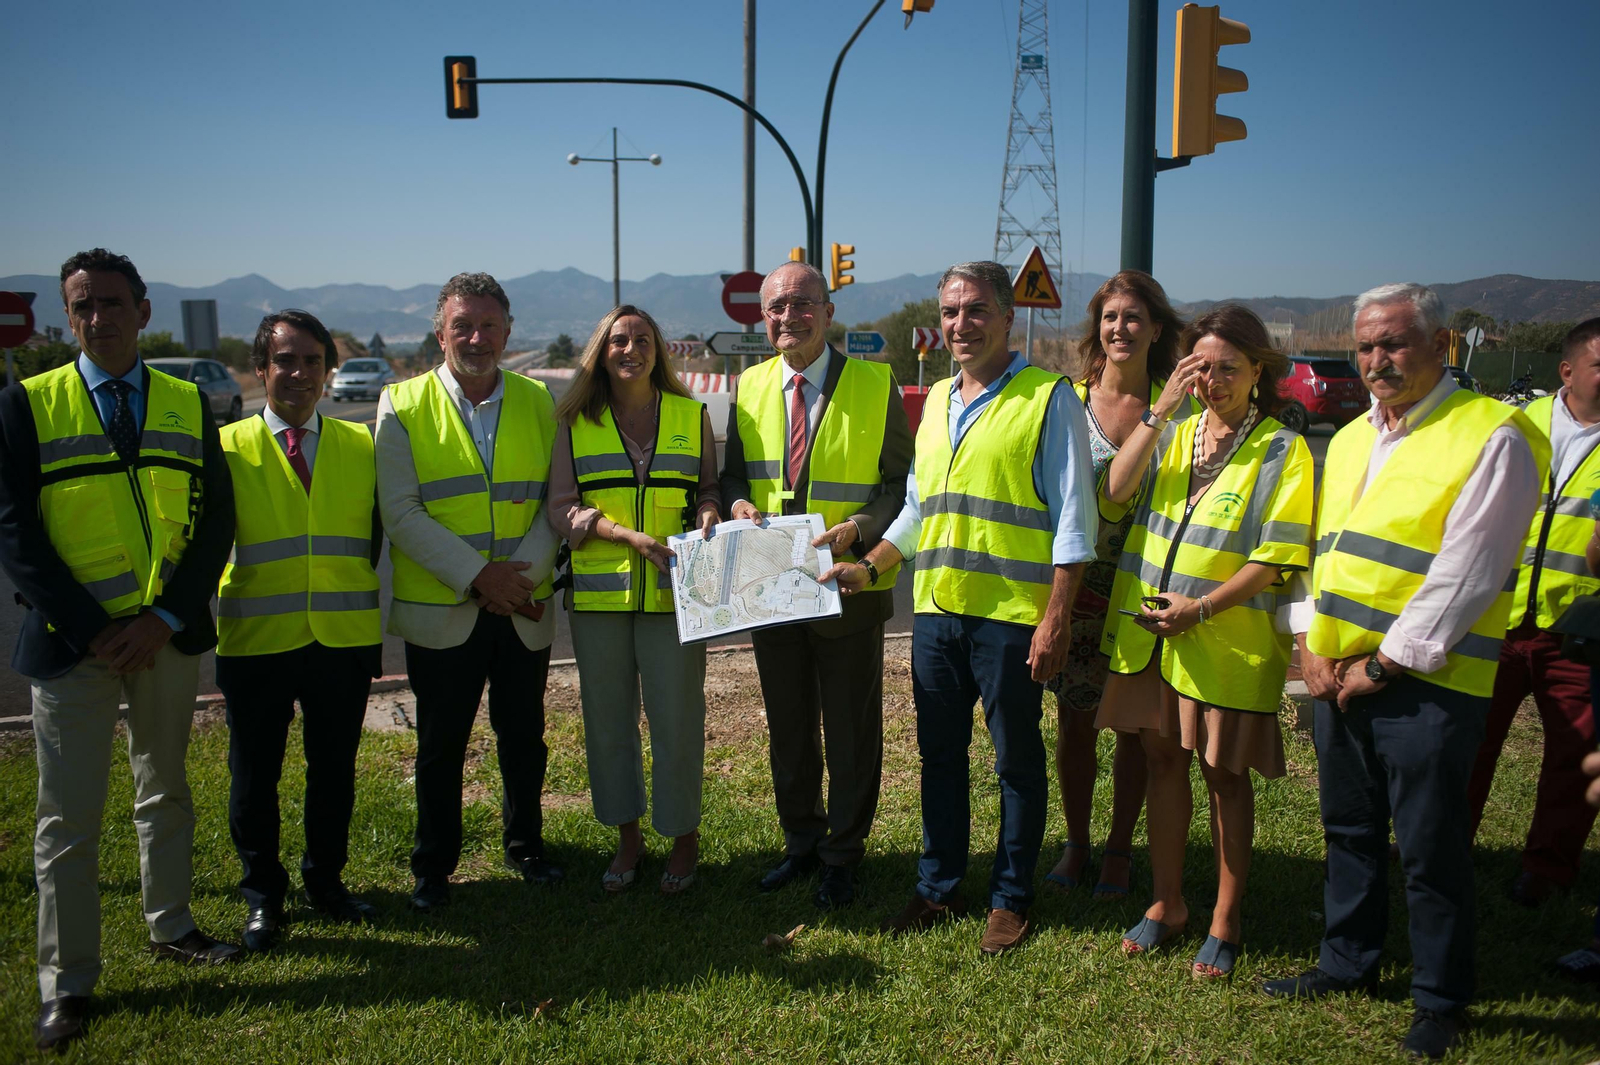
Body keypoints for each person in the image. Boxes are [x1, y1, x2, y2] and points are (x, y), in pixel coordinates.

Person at [1264, 283, 1545, 1061]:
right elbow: (1328, 553)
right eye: (1366, 346)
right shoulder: (1353, 436)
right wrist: (1311, 646)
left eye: (1394, 343)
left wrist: (1382, 666)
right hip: (1338, 676)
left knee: (1429, 846)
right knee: (1348, 830)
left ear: (1440, 343)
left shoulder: (1491, 435)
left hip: (1424, 682)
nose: (1378, 360)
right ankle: (1347, 962)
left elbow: (1468, 575)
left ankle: (1440, 999)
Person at [0, 249, 238, 1052]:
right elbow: (16, 534)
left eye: (109, 302)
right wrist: (94, 626)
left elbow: (214, 523)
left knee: (165, 789)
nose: (95, 317)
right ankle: (66, 983)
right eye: (80, 306)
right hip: (75, 647)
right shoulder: (27, 404)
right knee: (67, 818)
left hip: (164, 638)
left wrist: (166, 616)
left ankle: (171, 926)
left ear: (142, 310)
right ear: (68, 316)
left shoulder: (185, 401)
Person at [826, 260, 1097, 954]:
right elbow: (920, 512)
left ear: (1008, 317)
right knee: (939, 755)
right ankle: (939, 884)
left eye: (976, 310)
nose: (961, 324)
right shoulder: (939, 400)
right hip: (937, 614)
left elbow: (1074, 520)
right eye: (951, 312)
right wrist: (868, 567)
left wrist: (1056, 616)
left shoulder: (1048, 397)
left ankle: (1010, 896)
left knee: (1015, 762)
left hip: (1011, 615)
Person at [1095, 306, 1313, 979]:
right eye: (1202, 366)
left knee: (1223, 775)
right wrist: (1159, 407)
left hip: (1223, 643)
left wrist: (1204, 607)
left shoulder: (1282, 449)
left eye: (1228, 367)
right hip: (1151, 636)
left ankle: (1225, 915)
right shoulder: (1175, 431)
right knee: (1162, 762)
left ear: (1259, 371)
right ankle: (1167, 902)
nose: (1213, 379)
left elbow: (1277, 554)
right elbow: (1115, 489)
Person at [722, 260, 913, 910]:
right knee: (789, 725)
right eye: (776, 307)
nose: (788, 317)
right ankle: (801, 840)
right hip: (772, 587)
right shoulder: (746, 387)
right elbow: (731, 480)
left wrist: (859, 529)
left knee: (851, 731)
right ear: (763, 316)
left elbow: (899, 486)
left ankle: (842, 853)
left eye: (803, 305)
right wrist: (738, 506)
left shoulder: (875, 382)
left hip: (848, 589)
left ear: (829, 313)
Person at [375, 272, 563, 911]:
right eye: (463, 325)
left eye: (488, 325)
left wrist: (519, 581)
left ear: (508, 332)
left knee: (523, 736)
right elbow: (401, 513)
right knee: (441, 745)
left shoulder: (541, 401)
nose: (476, 337)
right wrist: (480, 577)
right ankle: (433, 865)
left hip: (522, 607)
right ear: (440, 332)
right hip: (444, 613)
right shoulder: (400, 405)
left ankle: (526, 846)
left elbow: (554, 503)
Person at [216, 310, 384, 952]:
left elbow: (368, 537)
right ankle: (263, 896)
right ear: (261, 370)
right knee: (254, 776)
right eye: (285, 360)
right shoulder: (227, 447)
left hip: (340, 640)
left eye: (312, 361)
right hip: (257, 642)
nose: (299, 373)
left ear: (328, 371)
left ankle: (327, 883)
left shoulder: (359, 445)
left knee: (333, 771)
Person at [548, 305, 719, 894]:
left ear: (658, 350)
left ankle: (683, 836)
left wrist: (708, 516)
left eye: (641, 340)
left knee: (678, 720)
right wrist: (621, 535)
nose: (630, 350)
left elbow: (707, 490)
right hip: (599, 603)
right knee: (609, 722)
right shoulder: (573, 419)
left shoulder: (689, 415)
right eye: (618, 341)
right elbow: (561, 508)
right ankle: (627, 837)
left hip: (676, 597)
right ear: (602, 351)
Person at [1045, 270, 1188, 900]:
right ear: (1096, 329)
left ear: (1157, 329)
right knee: (1074, 725)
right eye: (1109, 317)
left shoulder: (1178, 409)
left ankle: (1119, 850)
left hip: (1144, 594)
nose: (1120, 328)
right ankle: (1076, 842)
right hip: (1075, 591)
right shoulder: (1065, 401)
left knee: (1135, 729)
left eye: (1133, 317)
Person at [1466, 317, 1600, 905]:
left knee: (1572, 753)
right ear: (1567, 371)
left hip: (1575, 628)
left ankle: (1546, 867)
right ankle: (1444, 840)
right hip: (1497, 617)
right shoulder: (1516, 424)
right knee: (1468, 740)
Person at [1553, 487, 1600, 983]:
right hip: (1516, 616)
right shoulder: (1535, 421)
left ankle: (1548, 870)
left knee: (1573, 758)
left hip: (1571, 617)